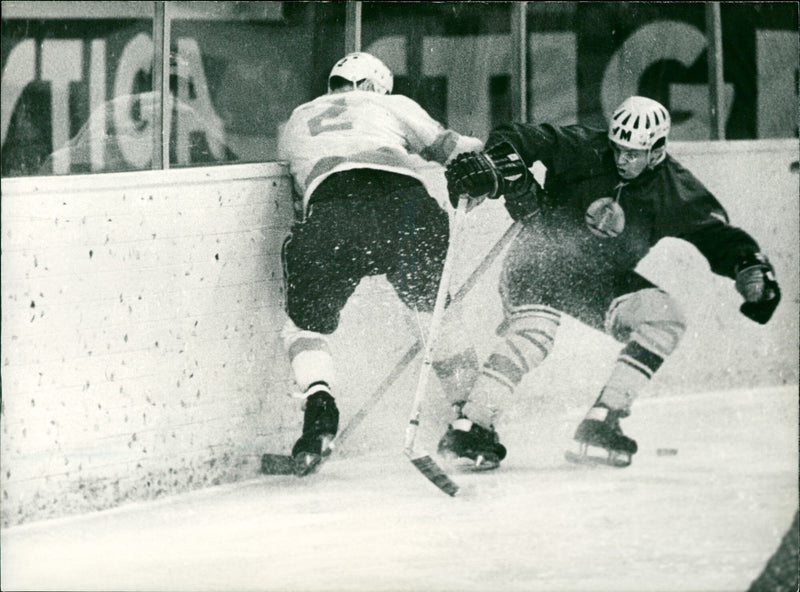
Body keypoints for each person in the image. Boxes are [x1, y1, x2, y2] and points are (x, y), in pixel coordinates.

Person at [438, 96, 781, 469]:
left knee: (665, 317)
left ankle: (603, 421)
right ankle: (471, 425)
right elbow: (516, 135)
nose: (622, 160)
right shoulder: (584, 145)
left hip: (598, 279)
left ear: (658, 150)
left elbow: (717, 234)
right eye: (618, 149)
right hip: (539, 258)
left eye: (634, 154)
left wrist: (748, 265)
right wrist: (494, 162)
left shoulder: (675, 188)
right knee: (532, 338)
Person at [277, 52, 485, 474]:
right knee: (436, 316)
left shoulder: (297, 118)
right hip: (405, 209)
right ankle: (468, 420)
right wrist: (485, 170)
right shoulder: (389, 104)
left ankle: (319, 408)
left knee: (305, 327)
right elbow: (460, 152)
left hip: (332, 212)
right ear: (374, 86)